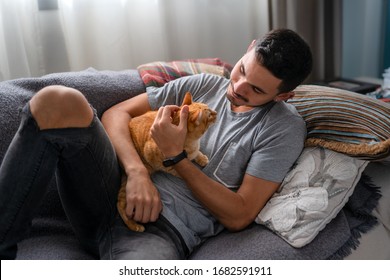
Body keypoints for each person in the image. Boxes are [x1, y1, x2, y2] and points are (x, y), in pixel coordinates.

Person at [0, 29, 312, 260]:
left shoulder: (283, 128)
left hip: (159, 230)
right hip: (107, 186)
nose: (238, 87)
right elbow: (116, 113)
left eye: (255, 90)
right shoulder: (204, 83)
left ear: (283, 96)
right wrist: (137, 173)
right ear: (249, 49)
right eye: (242, 70)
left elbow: (239, 215)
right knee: (58, 100)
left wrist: (176, 156)